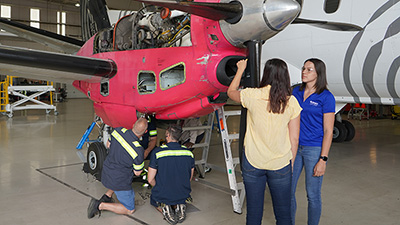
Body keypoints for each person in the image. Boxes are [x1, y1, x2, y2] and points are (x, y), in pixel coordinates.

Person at [227, 58, 302, 225]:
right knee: (283, 214)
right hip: (280, 163)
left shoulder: (252, 95)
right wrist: (291, 162)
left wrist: (240, 69)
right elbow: (294, 138)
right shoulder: (291, 102)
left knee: (254, 213)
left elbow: (231, 92)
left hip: (253, 162)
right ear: (285, 77)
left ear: (266, 74)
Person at [291, 58, 335, 225]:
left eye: (309, 69)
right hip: (294, 146)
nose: (304, 72)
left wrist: (323, 159)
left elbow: (328, 131)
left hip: (313, 149)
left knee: (312, 194)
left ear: (318, 74)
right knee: (288, 191)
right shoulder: (295, 91)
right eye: (304, 68)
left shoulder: (326, 97)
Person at [87, 117, 148, 219]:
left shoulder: (118, 131)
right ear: (145, 132)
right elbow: (137, 173)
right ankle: (99, 205)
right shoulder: (138, 150)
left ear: (133, 125)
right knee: (129, 209)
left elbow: (108, 144)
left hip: (106, 172)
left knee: (118, 171)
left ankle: (107, 196)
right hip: (119, 181)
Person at [148, 124, 195, 224]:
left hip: (163, 193)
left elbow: (150, 179)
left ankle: (164, 207)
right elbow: (189, 177)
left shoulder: (157, 152)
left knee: (154, 199)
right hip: (183, 193)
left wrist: (160, 187)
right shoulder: (189, 153)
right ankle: (180, 205)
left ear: (168, 135)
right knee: (177, 194)